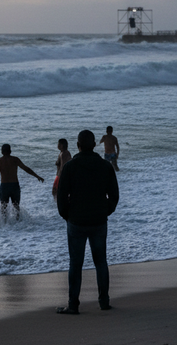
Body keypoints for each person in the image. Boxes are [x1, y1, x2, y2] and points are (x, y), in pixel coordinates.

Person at [56, 130, 119, 314]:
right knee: (101, 262)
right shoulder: (104, 166)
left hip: (76, 221)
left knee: (75, 264)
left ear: (78, 145)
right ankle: (104, 301)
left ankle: (73, 305)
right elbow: (114, 195)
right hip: (98, 220)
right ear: (94, 145)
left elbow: (61, 196)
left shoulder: (70, 166)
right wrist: (105, 211)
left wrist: (67, 215)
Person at [0, 144, 45, 220]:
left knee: (3, 207)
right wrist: (37, 176)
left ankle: (4, 224)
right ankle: (17, 224)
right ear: (10, 151)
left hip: (4, 187)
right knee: (16, 206)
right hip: (14, 186)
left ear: (1, 152)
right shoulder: (15, 160)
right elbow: (26, 169)